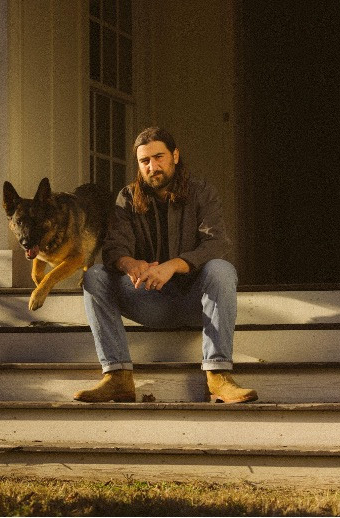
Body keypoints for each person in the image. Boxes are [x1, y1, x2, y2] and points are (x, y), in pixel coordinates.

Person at [73, 127, 258, 404]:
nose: (152, 166)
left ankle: (218, 376)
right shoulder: (127, 197)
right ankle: (117, 376)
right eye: (145, 161)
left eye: (159, 157)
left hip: (197, 302)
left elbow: (216, 243)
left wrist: (172, 266)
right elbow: (113, 248)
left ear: (175, 156)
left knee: (222, 270)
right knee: (95, 276)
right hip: (149, 301)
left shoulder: (201, 192)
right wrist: (130, 263)